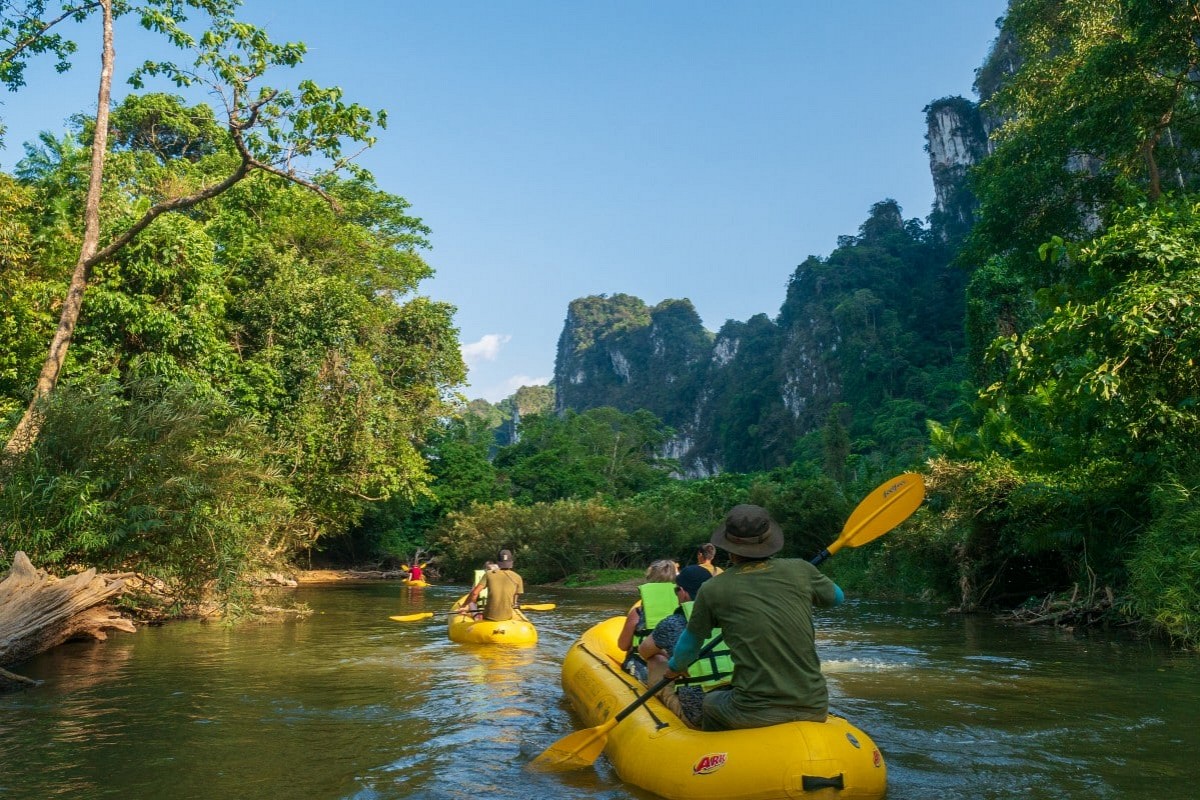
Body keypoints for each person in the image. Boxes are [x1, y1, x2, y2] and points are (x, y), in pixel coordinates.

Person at [666, 504, 844, 732]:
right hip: (815, 706)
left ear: (728, 548)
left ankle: (716, 757)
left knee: (710, 702)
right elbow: (836, 598)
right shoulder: (801, 569)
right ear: (770, 541)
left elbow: (689, 648)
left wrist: (673, 669)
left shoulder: (712, 589)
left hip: (752, 711)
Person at [637, 565, 715, 728]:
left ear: (684, 592)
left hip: (698, 715)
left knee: (655, 659)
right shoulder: (732, 617)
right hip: (735, 704)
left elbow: (644, 652)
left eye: (676, 590)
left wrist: (670, 656)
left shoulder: (672, 623)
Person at [616, 559, 679, 680]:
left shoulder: (638, 613)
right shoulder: (684, 610)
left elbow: (623, 645)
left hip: (644, 666)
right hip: (674, 667)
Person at [464, 549, 524, 621]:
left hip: (489, 616)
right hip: (507, 617)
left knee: (472, 603)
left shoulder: (489, 574)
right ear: (511, 562)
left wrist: (465, 605)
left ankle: (477, 616)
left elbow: (474, 593)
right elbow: (514, 601)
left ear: (498, 563)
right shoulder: (518, 577)